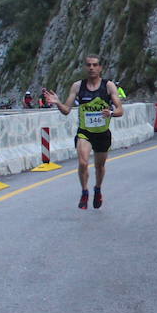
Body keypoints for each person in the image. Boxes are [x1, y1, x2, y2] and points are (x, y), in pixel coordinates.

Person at [44, 54, 124, 210]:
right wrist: (58, 103)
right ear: (85, 67)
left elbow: (120, 110)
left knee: (99, 166)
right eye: (88, 65)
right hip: (85, 133)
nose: (91, 68)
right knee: (82, 162)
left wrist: (112, 113)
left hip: (102, 133)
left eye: (95, 65)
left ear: (100, 68)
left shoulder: (108, 86)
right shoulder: (77, 86)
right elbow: (66, 110)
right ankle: (84, 191)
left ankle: (98, 189)